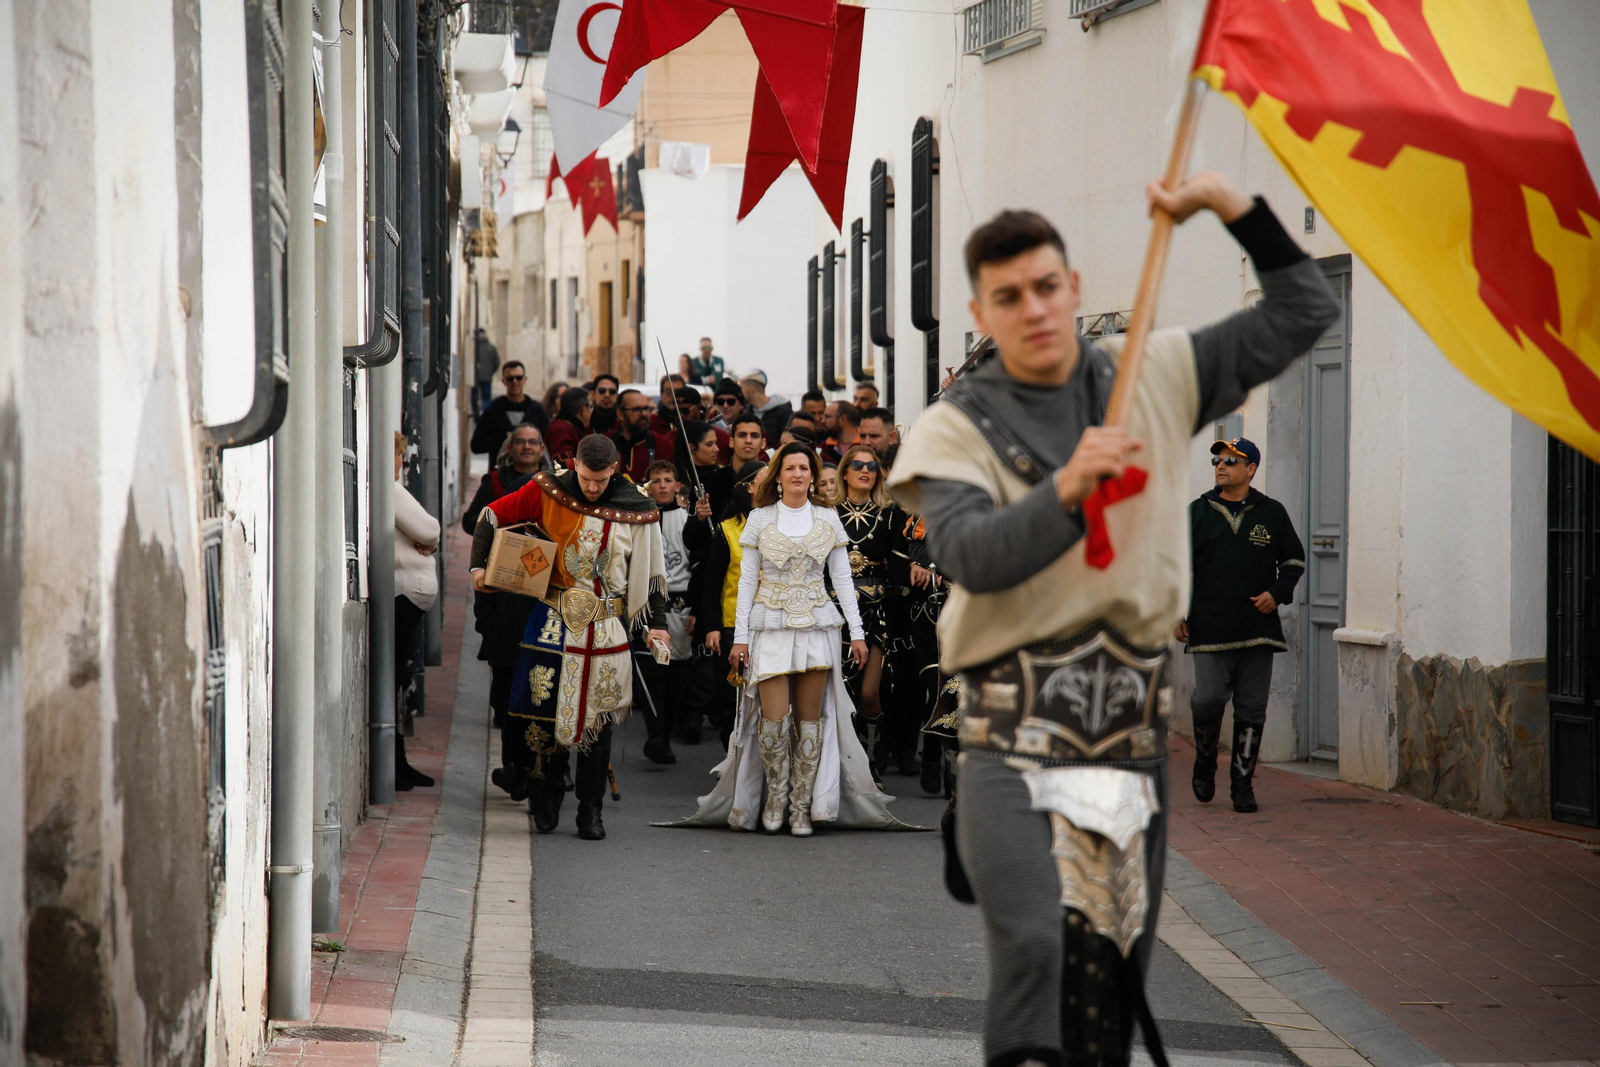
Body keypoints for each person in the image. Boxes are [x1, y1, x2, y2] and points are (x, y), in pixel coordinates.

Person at [888, 175, 1339, 1067]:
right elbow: (972, 555)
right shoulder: (951, 429)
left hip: (1123, 735)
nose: (1035, 309)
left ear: (1075, 287)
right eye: (1010, 297)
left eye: (1048, 287)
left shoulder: (1160, 371)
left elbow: (1303, 309)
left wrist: (1229, 207)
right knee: (1032, 949)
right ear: (984, 308)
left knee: (1104, 987)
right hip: (1011, 733)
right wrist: (1065, 488)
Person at [666, 442, 920, 834]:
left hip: (818, 626)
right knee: (772, 719)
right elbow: (748, 581)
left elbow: (842, 581)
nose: (798, 474)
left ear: (813, 474)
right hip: (770, 626)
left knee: (810, 721)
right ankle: (776, 800)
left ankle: (801, 806)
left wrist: (856, 634)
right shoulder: (759, 519)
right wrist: (741, 638)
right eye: (790, 468)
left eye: (805, 467)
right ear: (778, 476)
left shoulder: (828, 517)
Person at [470, 434, 670, 840]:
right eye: (585, 478)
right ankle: (545, 798)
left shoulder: (639, 508)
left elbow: (650, 575)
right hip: (549, 620)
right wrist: (478, 567)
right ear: (574, 464)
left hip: (607, 625)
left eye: (600, 480)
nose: (592, 488)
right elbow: (490, 516)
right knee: (543, 717)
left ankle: (590, 809)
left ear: (615, 468)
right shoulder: (547, 490)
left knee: (598, 722)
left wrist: (657, 626)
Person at [1176, 436, 1305, 814]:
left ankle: (1243, 786)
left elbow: (1294, 561)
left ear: (1251, 470)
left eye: (1232, 461)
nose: (1221, 465)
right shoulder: (1197, 513)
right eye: (1218, 459)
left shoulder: (1272, 513)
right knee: (1210, 698)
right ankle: (1204, 762)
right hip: (1209, 626)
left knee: (1251, 709)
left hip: (1257, 627)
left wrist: (1276, 593)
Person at [461, 423, 546, 799]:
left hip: (541, 638)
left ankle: (543, 770)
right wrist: (490, 631)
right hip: (507, 640)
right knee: (509, 709)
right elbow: (486, 593)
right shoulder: (499, 539)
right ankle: (516, 769)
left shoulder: (548, 541)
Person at [831, 443, 897, 780]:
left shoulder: (889, 512)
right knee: (841, 690)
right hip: (836, 611)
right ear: (845, 471)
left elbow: (902, 557)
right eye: (857, 464)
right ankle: (848, 761)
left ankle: (873, 756)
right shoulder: (827, 512)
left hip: (877, 612)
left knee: (869, 692)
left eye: (871, 466)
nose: (865, 470)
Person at [691, 474, 758, 750]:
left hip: (774, 622)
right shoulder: (728, 528)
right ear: (747, 488)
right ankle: (732, 758)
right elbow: (712, 581)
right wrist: (713, 627)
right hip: (733, 625)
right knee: (734, 699)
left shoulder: (782, 524)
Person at [638, 461, 697, 764]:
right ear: (646, 486)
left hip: (679, 603)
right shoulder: (639, 520)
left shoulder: (689, 520)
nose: (662, 485)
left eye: (667, 480)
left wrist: (696, 606)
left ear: (677, 486)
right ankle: (656, 735)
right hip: (647, 604)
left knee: (675, 673)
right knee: (653, 672)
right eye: (656, 480)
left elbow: (697, 564)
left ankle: (668, 730)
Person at [394, 432, 439, 791]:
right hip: (402, 596)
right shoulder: (389, 488)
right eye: (399, 454)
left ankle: (397, 759)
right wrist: (431, 540)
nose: (402, 461)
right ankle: (394, 760)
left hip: (407, 596)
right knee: (395, 677)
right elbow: (428, 527)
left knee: (398, 677)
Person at [472, 361, 550, 459]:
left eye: (519, 378)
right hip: (500, 471)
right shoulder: (494, 410)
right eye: (510, 378)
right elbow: (476, 446)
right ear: (503, 381)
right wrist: (504, 438)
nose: (515, 382)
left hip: (531, 471)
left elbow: (548, 443)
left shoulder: (537, 410)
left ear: (525, 380)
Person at [612, 388, 677, 482]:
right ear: (620, 414)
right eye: (637, 409)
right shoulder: (605, 443)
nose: (644, 414)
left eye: (646, 409)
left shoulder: (663, 445)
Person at [741, 369, 793, 448]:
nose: (739, 392)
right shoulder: (746, 414)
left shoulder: (784, 411)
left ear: (750, 388)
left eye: (741, 388)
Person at [545, 385, 593, 467]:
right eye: (591, 406)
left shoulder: (572, 427)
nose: (592, 411)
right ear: (583, 410)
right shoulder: (561, 429)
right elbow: (563, 466)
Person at [728, 412, 767, 476]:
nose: (748, 441)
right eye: (742, 435)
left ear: (763, 443)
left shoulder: (773, 479)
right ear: (731, 442)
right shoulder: (711, 480)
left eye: (754, 436)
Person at [473, 327, 501, 416]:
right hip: (487, 377)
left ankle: (477, 416)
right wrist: (490, 372)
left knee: (475, 397)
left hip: (475, 378)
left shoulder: (474, 347)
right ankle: (486, 414)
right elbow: (497, 362)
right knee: (487, 398)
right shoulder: (491, 347)